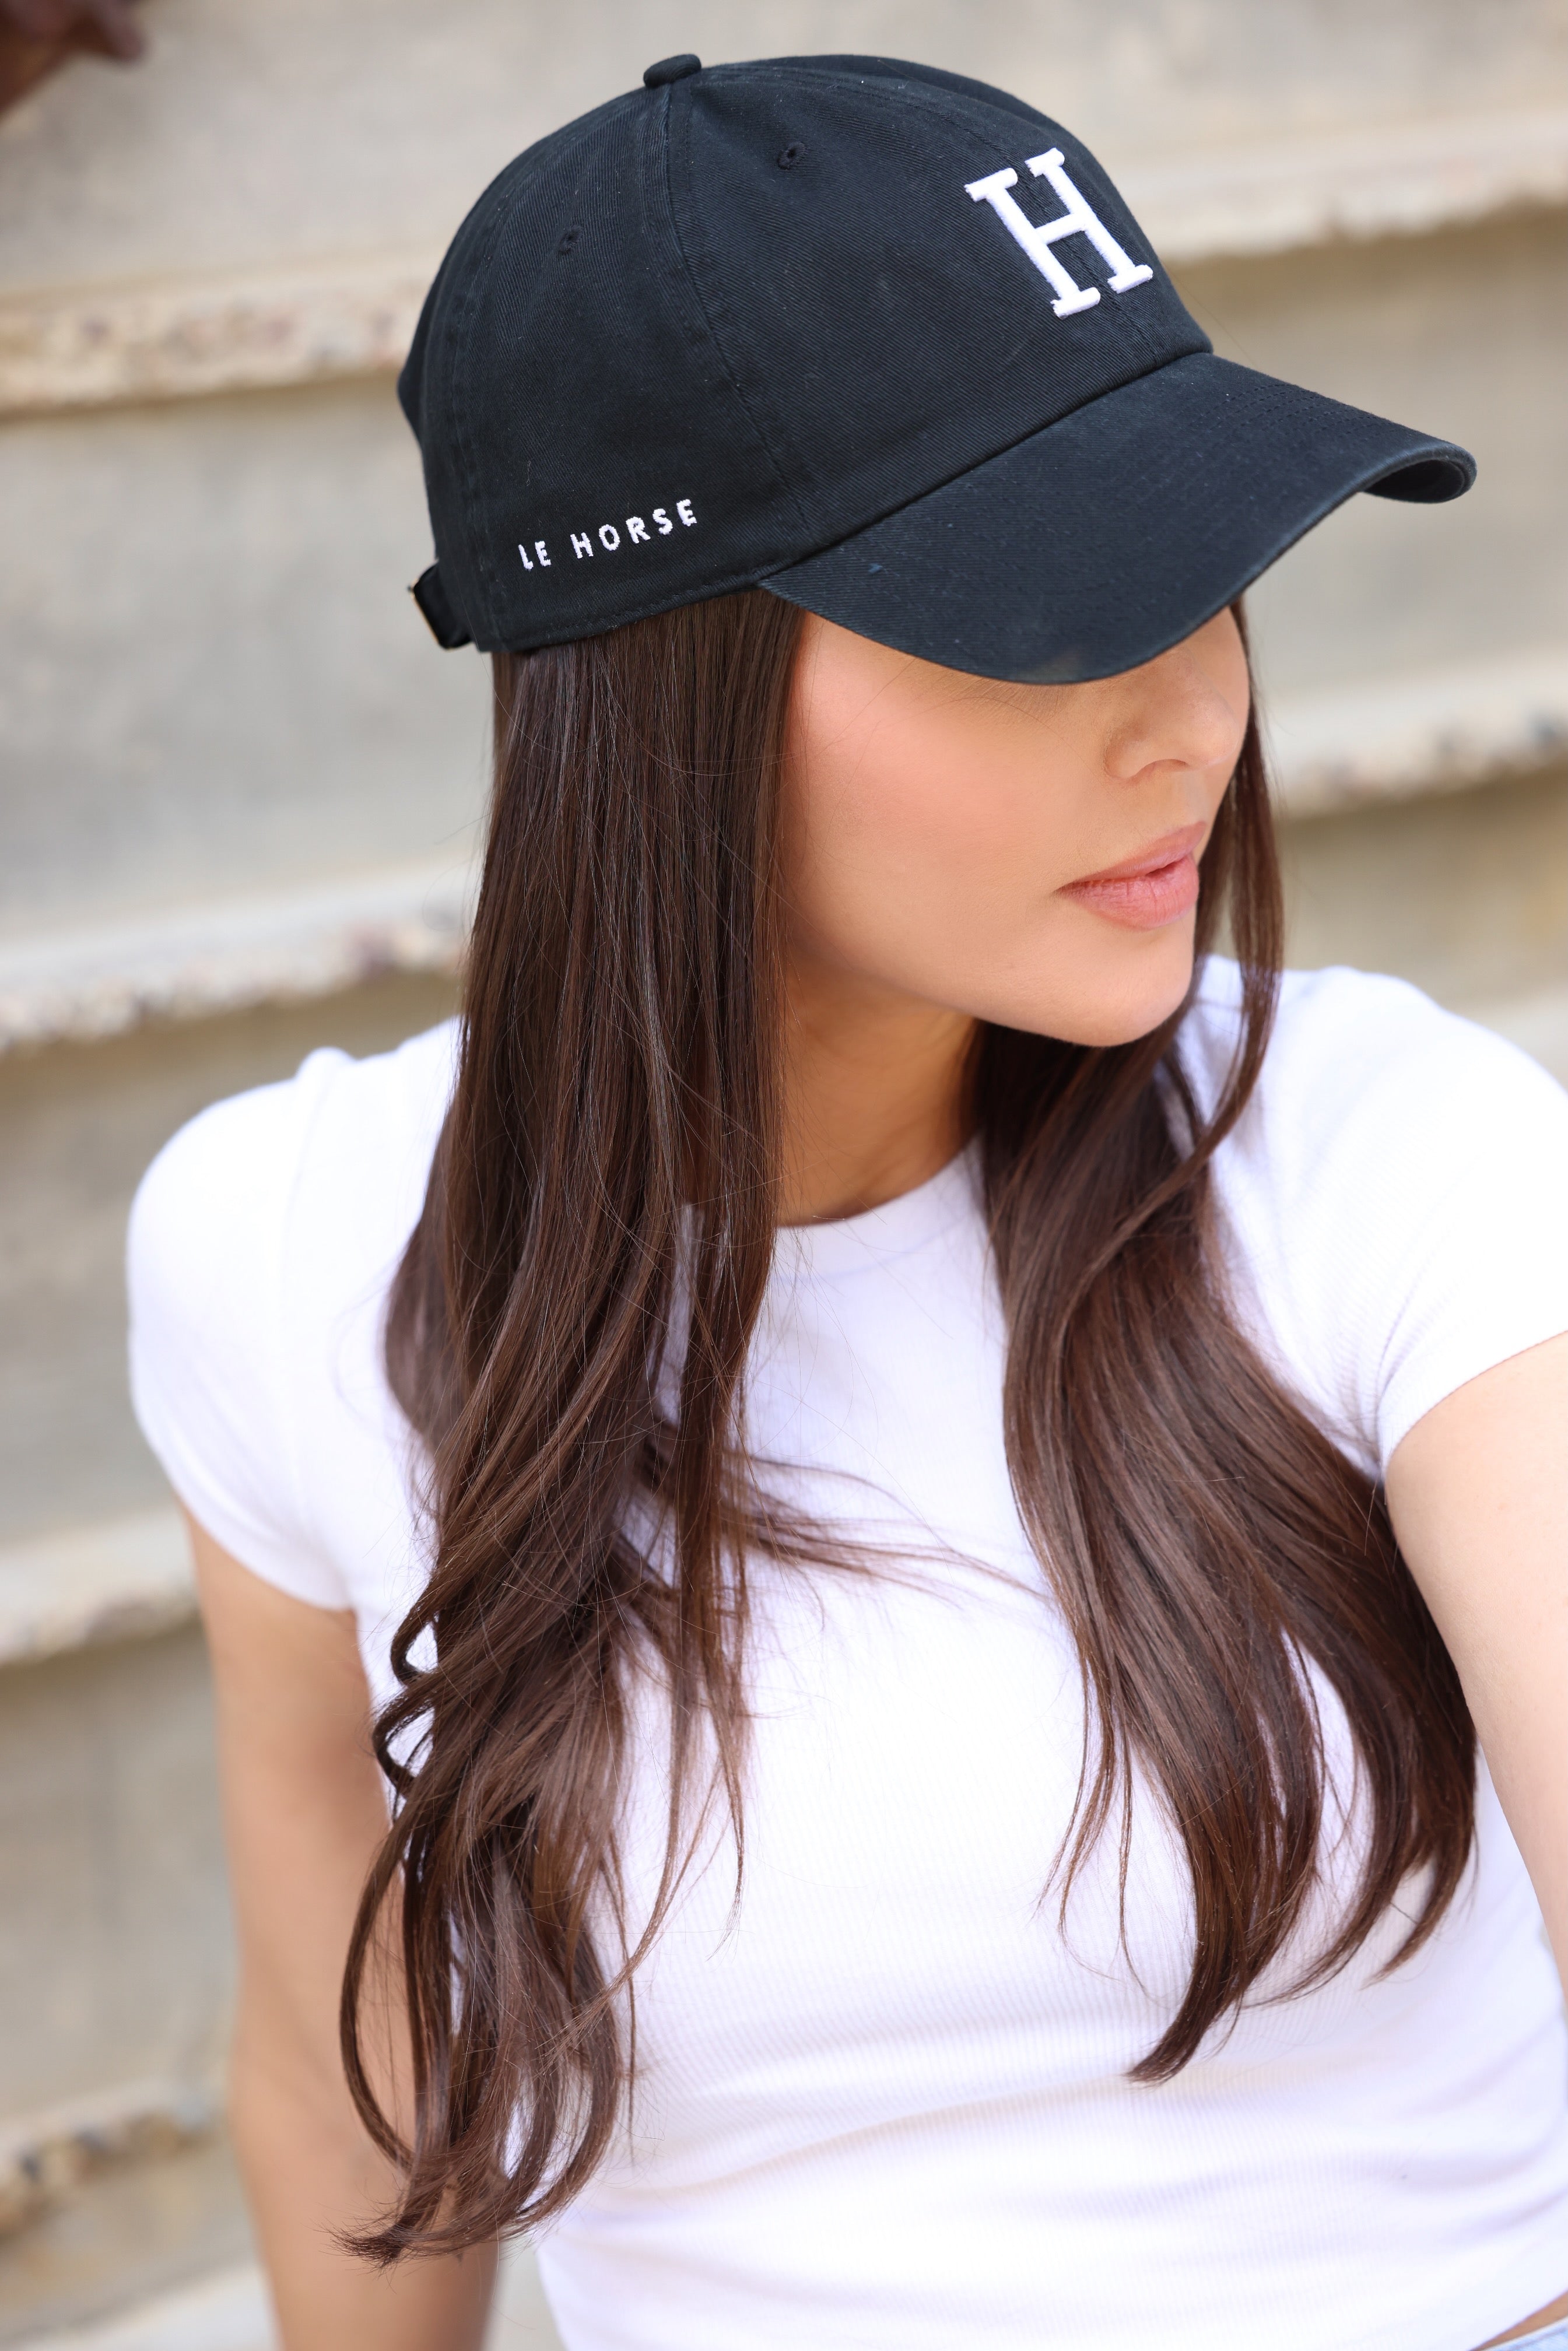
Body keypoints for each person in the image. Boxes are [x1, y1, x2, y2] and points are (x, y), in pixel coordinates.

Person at [127, 52, 1567, 2351]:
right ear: (652, 698)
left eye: (1196, 570)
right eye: (1045, 610)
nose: (1187, 718)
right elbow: (354, 2063)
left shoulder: (1395, 1146)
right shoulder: (292, 1249)